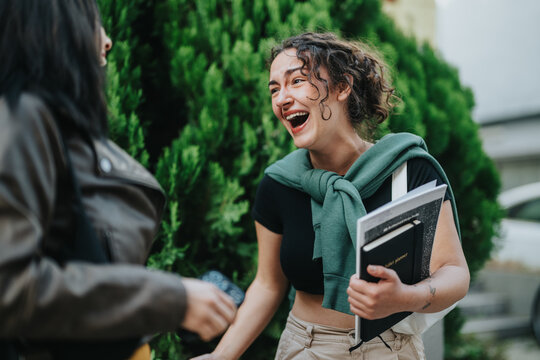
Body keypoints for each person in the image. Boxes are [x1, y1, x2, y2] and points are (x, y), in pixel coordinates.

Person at [193, 32, 470, 360]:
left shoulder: (408, 170)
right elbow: (268, 285)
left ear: (342, 87)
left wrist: (405, 297)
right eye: (274, 88)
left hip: (391, 350)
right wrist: (220, 356)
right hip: (305, 347)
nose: (282, 98)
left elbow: (454, 272)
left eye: (297, 80)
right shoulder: (279, 184)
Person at [0, 1, 236, 359]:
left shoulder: (53, 125)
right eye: (93, 23)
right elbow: (11, 288)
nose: (107, 40)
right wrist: (171, 299)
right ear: (55, 27)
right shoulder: (22, 116)